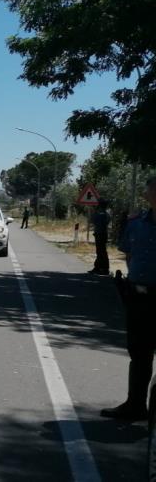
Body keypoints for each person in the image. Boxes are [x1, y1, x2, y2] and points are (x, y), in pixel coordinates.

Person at [101, 177, 156, 421]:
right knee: (139, 354)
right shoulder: (136, 223)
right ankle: (135, 405)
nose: (145, 192)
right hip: (140, 297)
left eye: (148, 188)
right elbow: (130, 253)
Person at [89, 200, 111, 275]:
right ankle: (100, 268)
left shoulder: (99, 214)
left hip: (99, 234)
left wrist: (94, 211)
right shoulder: (106, 214)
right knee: (102, 251)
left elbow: (92, 220)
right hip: (103, 234)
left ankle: (103, 268)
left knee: (100, 251)